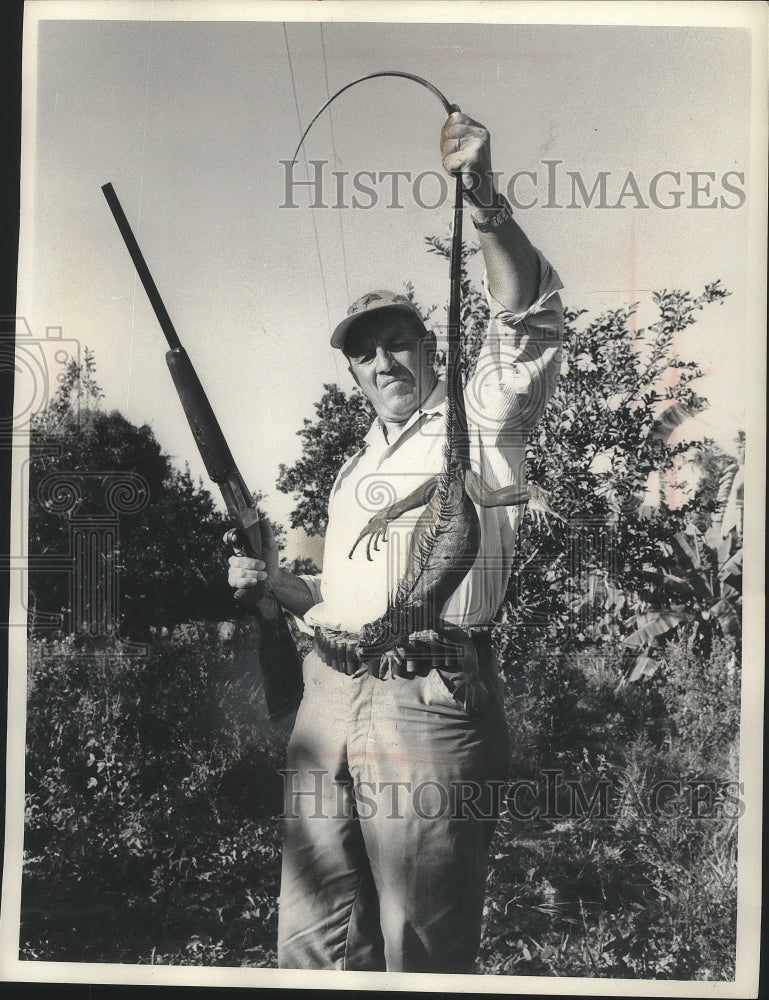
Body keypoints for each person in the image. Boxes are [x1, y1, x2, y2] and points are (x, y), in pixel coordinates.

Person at [228, 111, 564, 973]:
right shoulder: (351, 471)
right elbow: (344, 597)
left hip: (426, 698)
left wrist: (480, 198)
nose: (383, 363)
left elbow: (524, 313)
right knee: (312, 943)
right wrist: (276, 589)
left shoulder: (481, 420)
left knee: (418, 946)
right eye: (364, 353)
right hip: (328, 702)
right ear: (351, 370)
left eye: (399, 343)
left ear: (428, 350)